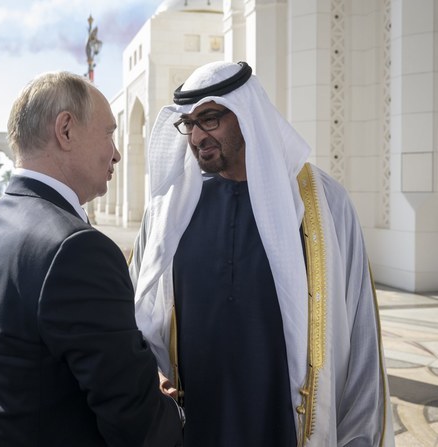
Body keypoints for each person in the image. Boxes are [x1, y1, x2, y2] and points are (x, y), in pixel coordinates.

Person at [129, 61, 394, 446]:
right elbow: (136, 314)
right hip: (197, 423)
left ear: (247, 115)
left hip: (285, 424)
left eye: (210, 119)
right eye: (189, 123)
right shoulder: (167, 211)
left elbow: (361, 334)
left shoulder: (323, 205)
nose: (197, 136)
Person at [0, 71, 184, 446]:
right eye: (109, 133)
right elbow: (134, 419)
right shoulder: (76, 248)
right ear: (65, 130)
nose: (117, 152)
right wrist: (174, 412)